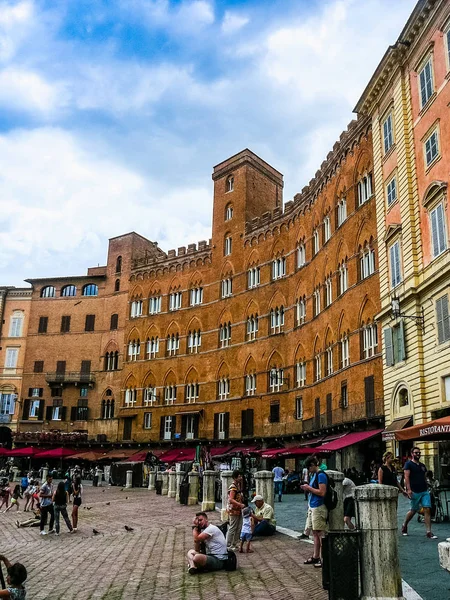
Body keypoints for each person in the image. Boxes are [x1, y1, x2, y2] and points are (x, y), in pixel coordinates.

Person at [401, 447, 437, 539]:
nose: (418, 454)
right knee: (413, 510)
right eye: (416, 453)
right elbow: (406, 477)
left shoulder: (422, 465)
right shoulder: (408, 464)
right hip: (414, 491)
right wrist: (408, 489)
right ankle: (404, 525)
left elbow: (424, 477)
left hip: (424, 490)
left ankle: (429, 532)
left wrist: (428, 483)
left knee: (427, 509)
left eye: (419, 453)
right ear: (412, 453)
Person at [300, 455, 328, 568]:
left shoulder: (321, 475)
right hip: (313, 506)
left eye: (308, 467)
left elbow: (322, 492)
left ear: (312, 465)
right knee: (315, 533)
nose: (308, 470)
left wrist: (308, 488)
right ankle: (316, 556)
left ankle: (323, 558)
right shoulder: (315, 475)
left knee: (320, 533)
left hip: (319, 507)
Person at [226, 470, 244, 550]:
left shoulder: (238, 486)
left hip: (238, 510)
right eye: (239, 476)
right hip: (234, 510)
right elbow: (231, 499)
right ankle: (228, 544)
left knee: (239, 527)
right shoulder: (233, 488)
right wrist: (240, 504)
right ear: (235, 478)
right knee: (233, 527)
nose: (241, 478)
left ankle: (235, 543)